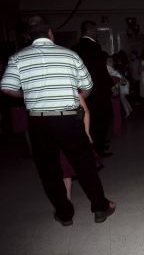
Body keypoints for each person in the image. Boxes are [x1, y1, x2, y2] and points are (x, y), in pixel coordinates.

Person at [0, 16, 116, 226]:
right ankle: (100, 207)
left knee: (48, 170)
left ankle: (65, 213)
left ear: (28, 35)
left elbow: (6, 87)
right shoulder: (69, 55)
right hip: (68, 118)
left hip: (38, 122)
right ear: (50, 33)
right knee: (84, 165)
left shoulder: (18, 57)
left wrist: (30, 95)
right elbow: (87, 87)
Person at [73, 20, 114, 158]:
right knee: (100, 121)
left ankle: (94, 145)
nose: (96, 33)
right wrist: (110, 86)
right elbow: (100, 72)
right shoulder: (95, 47)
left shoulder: (75, 48)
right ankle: (98, 149)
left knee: (88, 121)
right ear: (90, 30)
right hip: (98, 92)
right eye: (95, 30)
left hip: (81, 91)